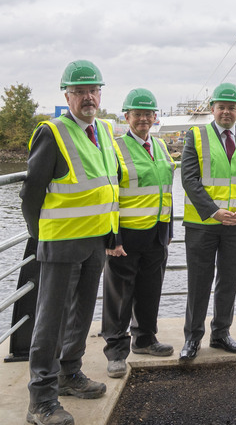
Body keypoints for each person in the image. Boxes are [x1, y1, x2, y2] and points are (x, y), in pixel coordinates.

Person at [20, 60, 119, 425]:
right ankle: (41, 400)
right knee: (51, 321)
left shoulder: (104, 131)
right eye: (80, 92)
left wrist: (111, 233)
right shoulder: (52, 132)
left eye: (93, 90)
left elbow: (108, 185)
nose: (88, 97)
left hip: (96, 240)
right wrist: (40, 233)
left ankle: (69, 374)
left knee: (81, 313)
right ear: (67, 95)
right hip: (61, 242)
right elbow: (31, 193)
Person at [179, 82, 236, 361]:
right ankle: (192, 338)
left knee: (229, 281)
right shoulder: (196, 136)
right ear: (212, 109)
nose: (226, 112)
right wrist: (213, 211)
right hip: (202, 224)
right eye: (221, 107)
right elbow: (189, 179)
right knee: (199, 283)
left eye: (232, 107)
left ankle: (221, 333)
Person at [102, 89, 175, 379]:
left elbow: (165, 191)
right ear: (126, 116)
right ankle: (116, 352)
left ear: (155, 117)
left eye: (148, 114)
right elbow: (109, 195)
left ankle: (145, 339)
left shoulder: (160, 147)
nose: (144, 119)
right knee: (119, 296)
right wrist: (112, 237)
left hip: (156, 234)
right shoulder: (115, 148)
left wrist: (168, 228)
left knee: (149, 291)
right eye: (138, 114)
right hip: (126, 235)